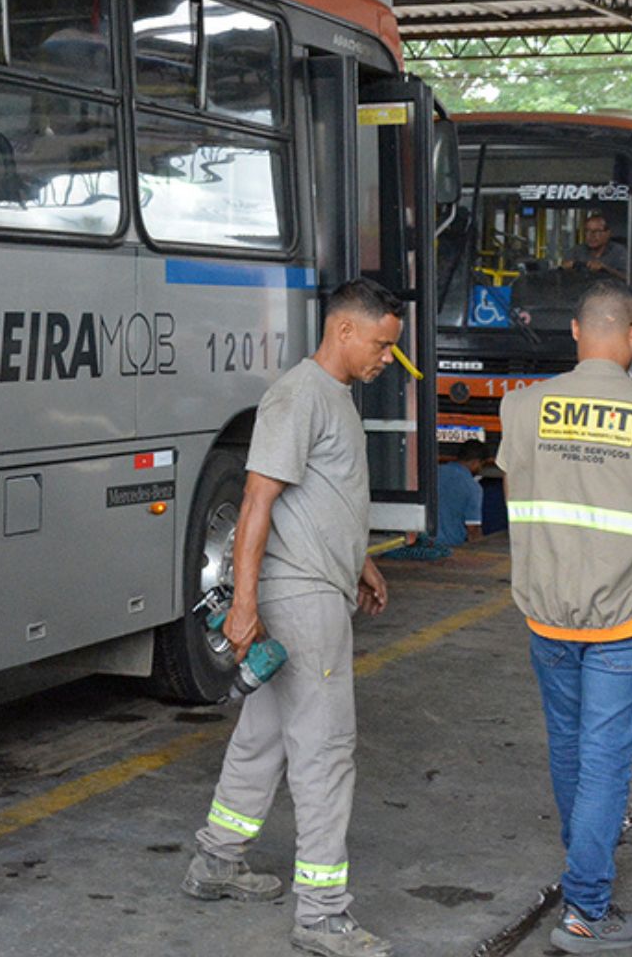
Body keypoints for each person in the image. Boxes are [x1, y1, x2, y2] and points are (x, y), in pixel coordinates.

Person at [182, 278, 403, 957]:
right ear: (343, 330)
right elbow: (256, 502)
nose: (387, 358)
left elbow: (323, 496)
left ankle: (216, 860)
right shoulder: (299, 395)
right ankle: (322, 913)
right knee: (326, 753)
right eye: (382, 343)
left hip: (318, 586)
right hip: (301, 599)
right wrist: (243, 605)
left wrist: (359, 559)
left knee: (266, 736)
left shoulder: (332, 398)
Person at [498, 282, 632, 952]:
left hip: (548, 617)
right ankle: (586, 908)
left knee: (570, 746)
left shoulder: (522, 408)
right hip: (624, 621)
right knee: (605, 760)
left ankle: (583, 859)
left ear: (575, 333)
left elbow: (515, 483)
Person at [563, 211, 629, 280]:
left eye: (597, 231)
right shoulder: (576, 251)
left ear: (608, 233)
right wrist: (567, 269)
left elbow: (629, 279)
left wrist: (605, 269)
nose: (591, 235)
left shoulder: (620, 252)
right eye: (587, 231)